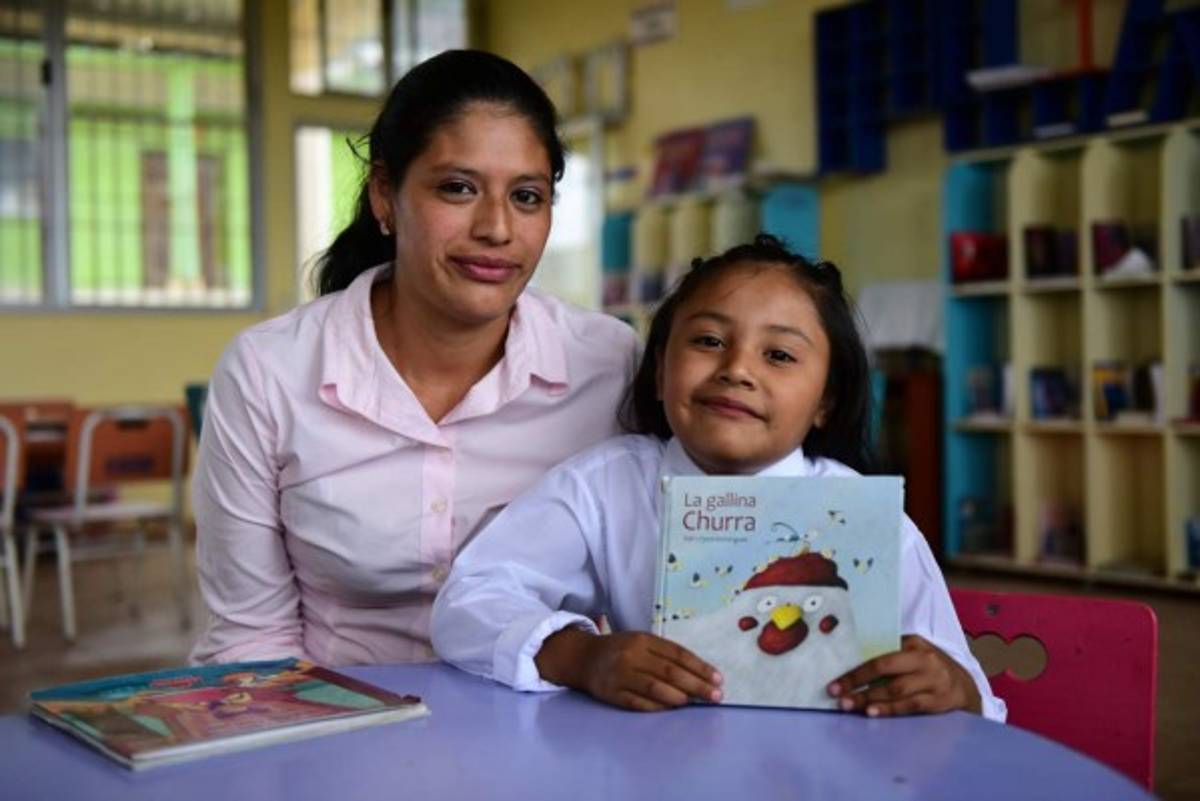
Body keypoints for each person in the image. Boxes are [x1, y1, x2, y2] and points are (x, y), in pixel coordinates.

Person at [432, 234, 1006, 721]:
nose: (736, 370)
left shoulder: (867, 522)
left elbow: (972, 694)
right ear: (659, 371)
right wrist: (580, 655)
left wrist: (952, 687)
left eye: (779, 355)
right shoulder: (605, 487)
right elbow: (469, 603)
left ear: (826, 400)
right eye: (708, 341)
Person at [190, 50, 639, 666]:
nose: (497, 228)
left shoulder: (611, 366)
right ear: (384, 195)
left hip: (547, 725)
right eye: (458, 188)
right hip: (338, 730)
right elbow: (251, 639)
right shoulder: (269, 373)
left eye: (528, 196)